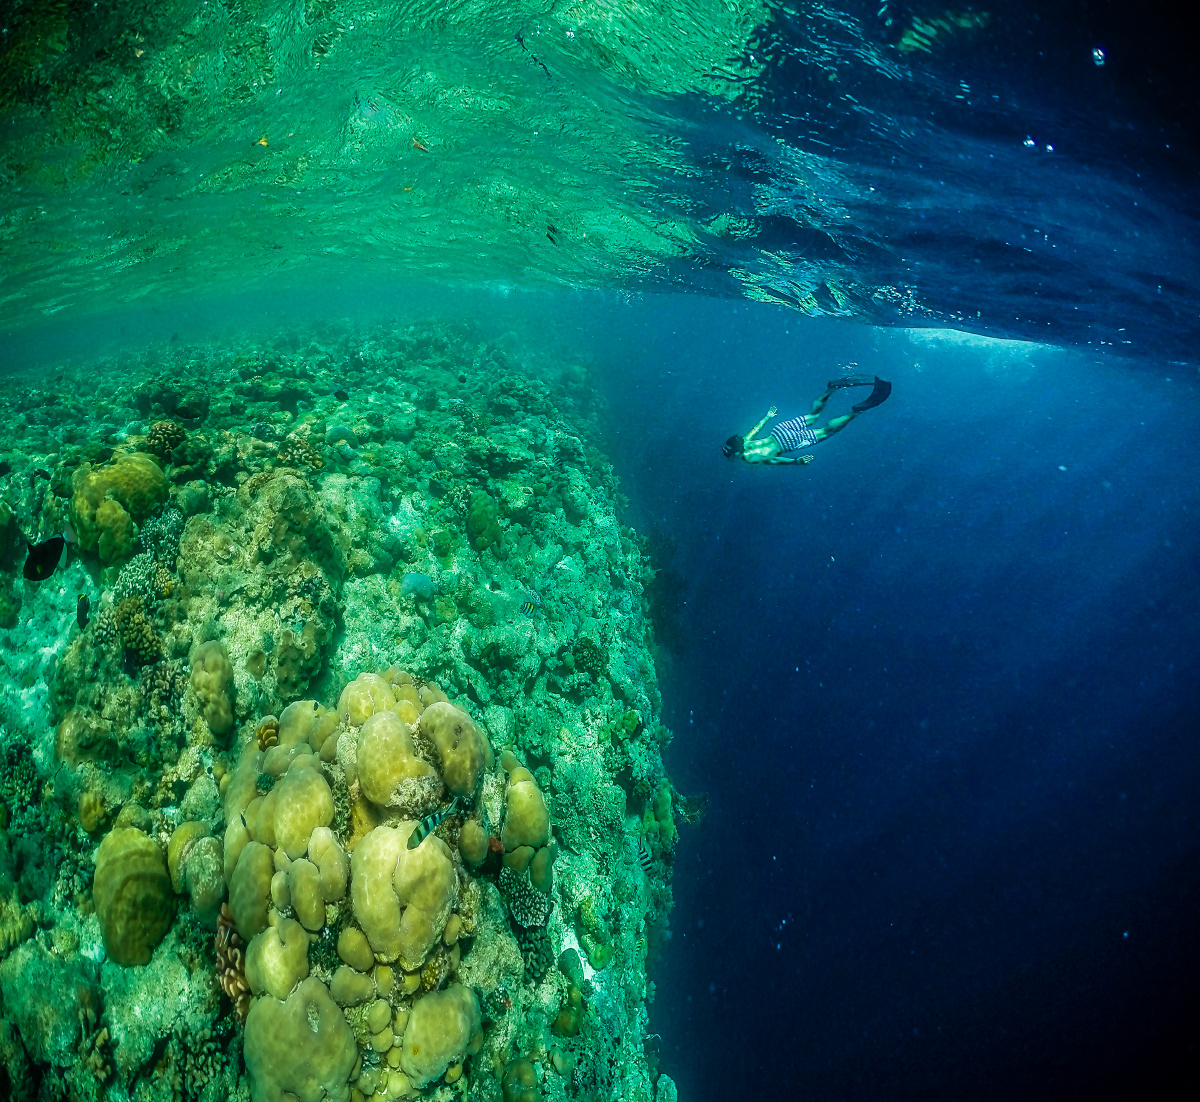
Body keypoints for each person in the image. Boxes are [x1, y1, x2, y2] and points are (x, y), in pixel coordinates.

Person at [722, 375, 891, 465]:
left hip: (786, 443)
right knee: (813, 416)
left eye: (731, 456)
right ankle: (830, 389)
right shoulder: (744, 441)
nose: (730, 460)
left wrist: (795, 462)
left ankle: (855, 412)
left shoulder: (749, 458)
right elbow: (755, 430)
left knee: (825, 431)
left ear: (737, 453)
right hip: (778, 430)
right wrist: (767, 417)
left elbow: (772, 460)